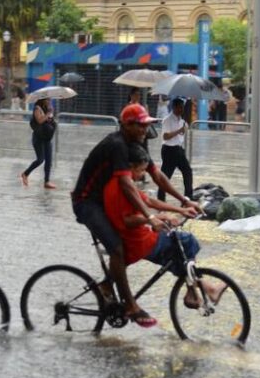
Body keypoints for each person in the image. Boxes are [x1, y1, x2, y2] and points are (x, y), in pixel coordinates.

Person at [70, 103, 200, 328]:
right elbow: (127, 184)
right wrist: (150, 217)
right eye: (138, 126)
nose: (143, 130)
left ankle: (107, 285)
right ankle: (130, 305)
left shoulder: (138, 144)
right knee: (117, 248)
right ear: (125, 125)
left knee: (127, 244)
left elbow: (157, 176)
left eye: (145, 125)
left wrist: (184, 200)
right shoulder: (117, 145)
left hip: (105, 199)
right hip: (87, 203)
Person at [105, 143, 224, 310]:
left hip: (140, 236)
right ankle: (199, 290)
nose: (141, 176)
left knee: (179, 255)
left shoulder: (125, 182)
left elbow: (149, 201)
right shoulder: (120, 187)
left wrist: (181, 208)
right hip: (138, 242)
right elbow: (126, 220)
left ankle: (202, 290)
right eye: (140, 170)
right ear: (129, 167)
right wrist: (151, 219)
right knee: (185, 242)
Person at [157, 97, 194, 203]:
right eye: (179, 108)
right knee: (165, 176)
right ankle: (160, 199)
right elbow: (166, 136)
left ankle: (188, 196)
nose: (181, 110)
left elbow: (182, 134)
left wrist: (183, 129)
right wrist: (179, 131)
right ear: (174, 107)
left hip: (178, 150)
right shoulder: (167, 120)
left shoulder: (182, 120)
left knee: (187, 171)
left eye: (182, 108)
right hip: (169, 150)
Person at [21, 98, 57, 188]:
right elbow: (40, 121)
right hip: (39, 138)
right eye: (48, 100)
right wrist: (48, 113)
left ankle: (47, 182)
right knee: (40, 159)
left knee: (49, 160)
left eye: (50, 100)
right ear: (42, 99)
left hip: (47, 138)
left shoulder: (47, 107)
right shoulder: (37, 108)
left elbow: (50, 120)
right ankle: (25, 174)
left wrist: (51, 112)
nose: (49, 101)